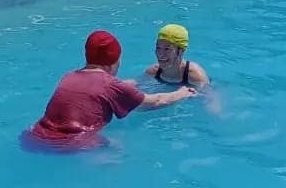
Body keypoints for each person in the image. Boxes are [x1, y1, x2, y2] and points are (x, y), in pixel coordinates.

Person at [24, 29, 197, 150]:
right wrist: (181, 93)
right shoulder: (111, 86)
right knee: (118, 147)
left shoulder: (68, 76)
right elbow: (156, 101)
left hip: (34, 136)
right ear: (115, 61)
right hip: (72, 143)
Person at [144, 24, 210, 86]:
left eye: (167, 49)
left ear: (182, 51)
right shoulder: (152, 72)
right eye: (158, 48)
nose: (160, 54)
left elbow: (210, 96)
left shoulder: (196, 76)